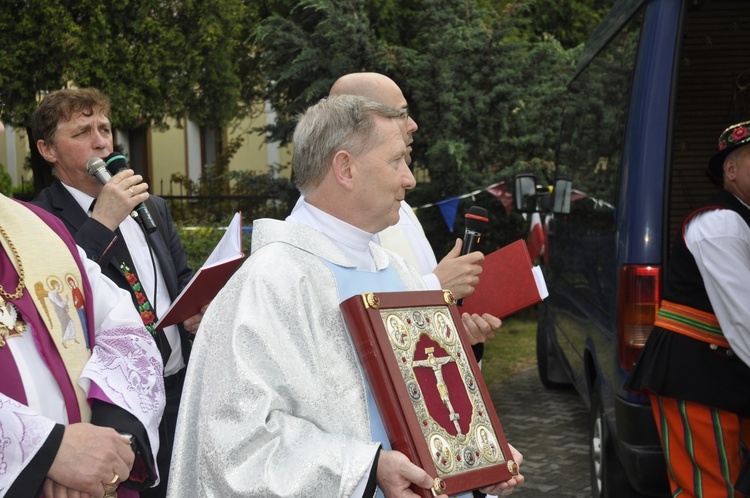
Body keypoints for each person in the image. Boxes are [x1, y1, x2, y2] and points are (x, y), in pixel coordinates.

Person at [168, 95, 524, 497]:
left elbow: (431, 401)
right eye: (396, 162)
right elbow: (234, 450)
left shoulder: (398, 271)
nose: (409, 179)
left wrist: (477, 462)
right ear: (345, 168)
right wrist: (366, 470)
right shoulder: (270, 282)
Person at [29, 88, 204, 498]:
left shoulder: (152, 208)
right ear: (47, 149)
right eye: (83, 131)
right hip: (114, 408)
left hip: (180, 390)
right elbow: (58, 304)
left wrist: (198, 310)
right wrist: (103, 220)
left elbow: (179, 281)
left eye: (105, 129)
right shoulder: (39, 220)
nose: (101, 141)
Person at [0, 113, 165, 496]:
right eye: (82, 132)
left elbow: (123, 327)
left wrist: (109, 439)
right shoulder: (54, 212)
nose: (101, 142)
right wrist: (45, 451)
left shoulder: (38, 228)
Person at [326, 72, 502, 354]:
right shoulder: (340, 219)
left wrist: (459, 333)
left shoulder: (400, 206)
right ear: (361, 122)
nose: (413, 125)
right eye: (401, 114)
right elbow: (348, 333)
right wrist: (437, 286)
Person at [625, 120, 750, 497]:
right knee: (708, 490)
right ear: (730, 170)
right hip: (697, 373)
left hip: (726, 376)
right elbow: (744, 318)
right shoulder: (720, 223)